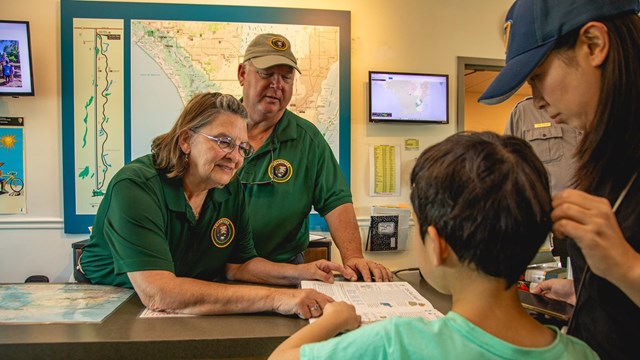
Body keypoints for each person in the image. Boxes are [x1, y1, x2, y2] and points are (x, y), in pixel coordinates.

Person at [270, 132, 598, 360]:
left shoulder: (397, 343)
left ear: (437, 246)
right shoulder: (582, 353)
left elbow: (282, 357)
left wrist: (334, 320)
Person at [80, 92, 350, 318]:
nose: (234, 157)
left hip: (183, 300)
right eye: (224, 142)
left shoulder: (228, 186)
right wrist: (278, 298)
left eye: (242, 148)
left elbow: (239, 265)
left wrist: (301, 273)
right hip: (113, 304)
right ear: (186, 140)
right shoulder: (135, 186)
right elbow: (158, 292)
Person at [478, 0, 640, 358]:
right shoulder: (609, 152)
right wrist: (586, 288)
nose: (536, 101)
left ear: (594, 44)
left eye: (537, 77)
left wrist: (625, 266)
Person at [236, 33, 392, 281]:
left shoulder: (308, 140)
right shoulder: (213, 128)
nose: (277, 85)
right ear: (242, 73)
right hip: (215, 269)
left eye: (286, 77)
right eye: (267, 74)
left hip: (283, 271)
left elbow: (336, 201)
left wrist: (353, 257)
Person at [505, 96, 583, 266]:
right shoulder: (525, 112)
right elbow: (509, 176)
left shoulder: (612, 105)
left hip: (609, 225)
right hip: (555, 230)